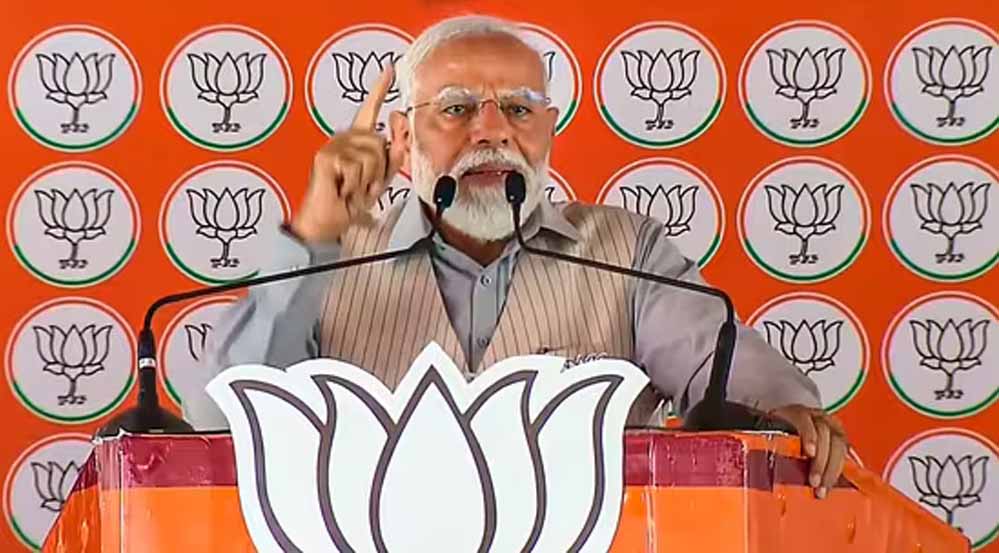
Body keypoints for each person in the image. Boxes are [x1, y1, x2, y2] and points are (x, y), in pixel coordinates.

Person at [181, 15, 849, 499]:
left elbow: (732, 379)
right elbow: (218, 424)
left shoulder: (627, 250)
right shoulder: (330, 264)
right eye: (457, 108)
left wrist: (779, 414)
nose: (492, 130)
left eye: (520, 111)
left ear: (548, 131)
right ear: (402, 137)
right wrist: (313, 233)